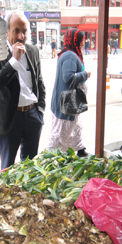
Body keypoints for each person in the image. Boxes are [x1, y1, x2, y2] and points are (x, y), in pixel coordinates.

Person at [0, 12, 46, 170]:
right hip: (9, 118)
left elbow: (39, 82)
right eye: (16, 30)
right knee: (8, 168)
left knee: (31, 166)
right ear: (7, 32)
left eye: (24, 31)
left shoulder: (32, 50)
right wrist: (14, 60)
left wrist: (40, 111)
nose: (21, 36)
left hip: (33, 116)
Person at [47, 28, 90, 157]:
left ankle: (81, 150)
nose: (84, 43)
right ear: (75, 40)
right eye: (82, 40)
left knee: (77, 128)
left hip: (71, 103)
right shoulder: (70, 56)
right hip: (67, 104)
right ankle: (49, 158)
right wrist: (85, 74)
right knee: (59, 135)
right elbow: (68, 77)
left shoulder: (69, 53)